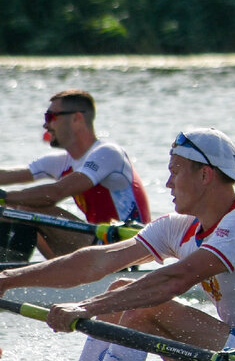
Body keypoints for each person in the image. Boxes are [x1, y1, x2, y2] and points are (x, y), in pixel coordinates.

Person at [0, 129, 235, 361]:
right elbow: (95, 262)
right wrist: (10, 280)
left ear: (205, 175)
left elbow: (174, 280)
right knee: (121, 287)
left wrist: (85, 308)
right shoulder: (179, 227)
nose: (167, 184)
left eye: (175, 172)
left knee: (143, 305)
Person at [0, 90, 151, 261]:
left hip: (126, 249)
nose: (46, 125)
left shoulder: (107, 153)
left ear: (76, 118)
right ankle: (16, 274)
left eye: (51, 117)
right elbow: (7, 175)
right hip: (100, 245)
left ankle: (9, 276)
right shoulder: (62, 162)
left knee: (27, 208)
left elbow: (55, 193)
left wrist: (5, 197)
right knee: (9, 211)